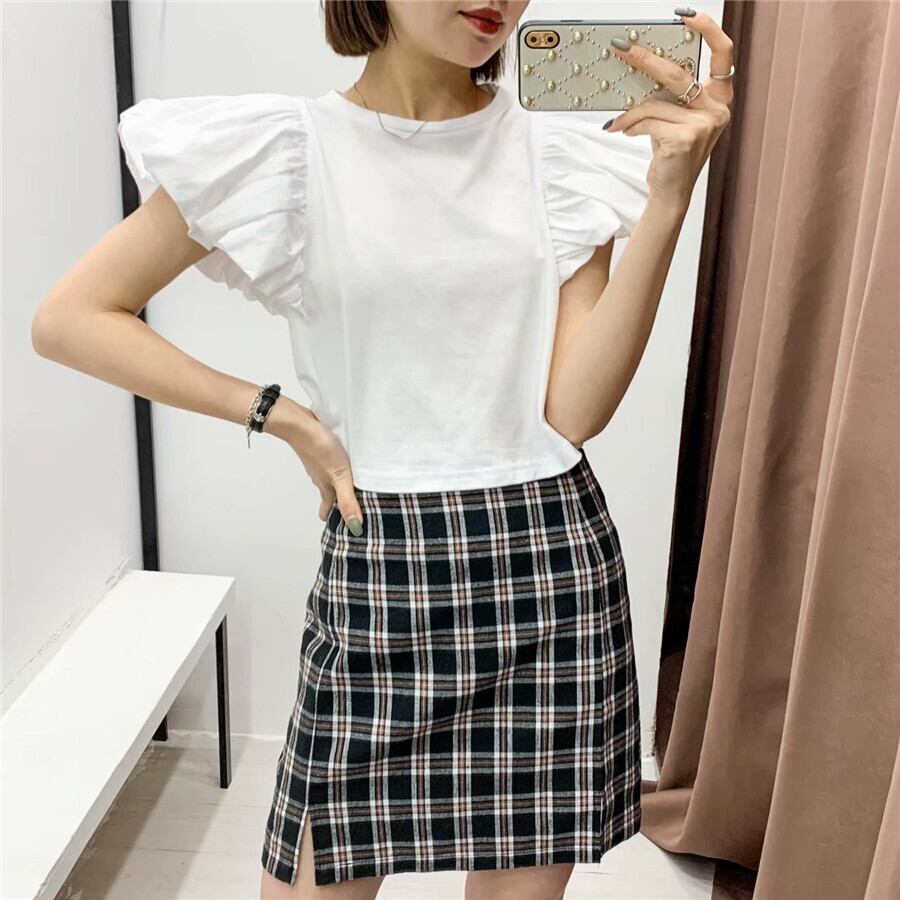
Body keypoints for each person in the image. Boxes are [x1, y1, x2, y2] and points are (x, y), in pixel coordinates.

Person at [32, 2, 733, 898]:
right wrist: (282, 416)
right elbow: (71, 319)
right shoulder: (284, 152)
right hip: (381, 563)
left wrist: (668, 199)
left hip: (549, 567)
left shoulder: (558, 160)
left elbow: (575, 412)